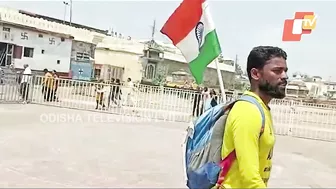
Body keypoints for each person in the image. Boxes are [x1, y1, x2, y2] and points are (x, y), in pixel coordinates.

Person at [220, 46, 288, 188]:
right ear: (256, 74)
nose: (285, 76)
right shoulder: (248, 111)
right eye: (277, 71)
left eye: (285, 71)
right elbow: (250, 178)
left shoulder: (261, 108)